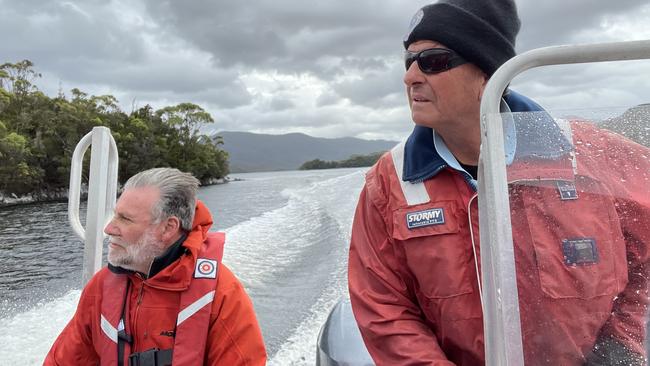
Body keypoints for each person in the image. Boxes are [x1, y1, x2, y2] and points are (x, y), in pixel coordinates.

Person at [347, 1, 650, 365]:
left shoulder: (592, 157)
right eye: (409, 61)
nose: (410, 77)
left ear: (489, 75)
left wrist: (617, 345)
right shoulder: (389, 184)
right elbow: (384, 306)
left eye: (433, 61)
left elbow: (645, 255)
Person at [45, 167, 267, 365]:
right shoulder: (101, 288)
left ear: (168, 228)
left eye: (125, 219)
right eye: (115, 215)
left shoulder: (221, 295)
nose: (109, 228)